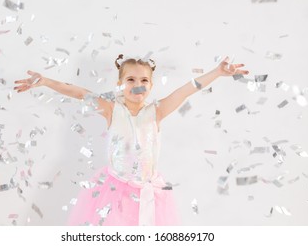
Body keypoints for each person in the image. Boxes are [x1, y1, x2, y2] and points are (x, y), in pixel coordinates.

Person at [14, 54, 249, 226]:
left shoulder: (157, 111)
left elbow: (186, 90)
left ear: (151, 84)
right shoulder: (111, 108)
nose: (137, 85)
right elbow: (78, 93)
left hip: (150, 191)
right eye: (131, 80)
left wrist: (217, 72)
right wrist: (46, 81)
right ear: (120, 83)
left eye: (144, 81)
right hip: (114, 190)